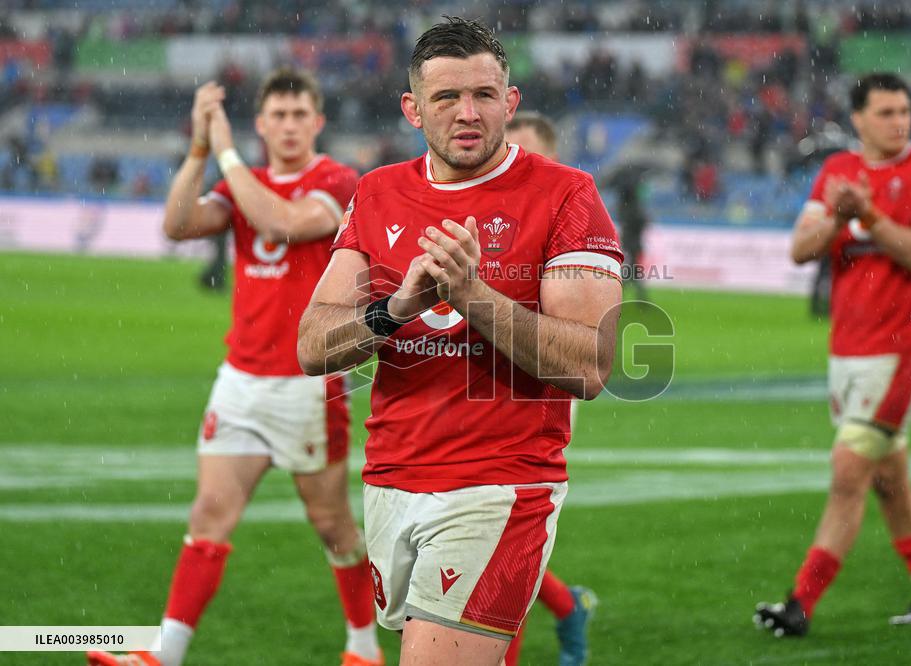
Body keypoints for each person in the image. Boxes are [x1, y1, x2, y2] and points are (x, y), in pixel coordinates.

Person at [297, 17, 623, 666]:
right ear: (413, 109)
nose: (467, 113)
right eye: (446, 97)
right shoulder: (377, 192)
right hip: (392, 478)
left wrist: (471, 296)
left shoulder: (567, 195)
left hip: (500, 488)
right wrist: (397, 308)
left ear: (511, 101)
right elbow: (312, 346)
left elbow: (589, 365)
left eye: (483, 95)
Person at [87, 68, 382, 666]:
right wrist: (200, 147)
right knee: (209, 514)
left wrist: (226, 152)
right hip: (241, 380)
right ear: (261, 124)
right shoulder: (242, 182)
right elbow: (177, 225)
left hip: (307, 384)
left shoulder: (337, 180)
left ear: (318, 122)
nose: (289, 125)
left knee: (332, 524)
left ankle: (363, 647)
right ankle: (165, 654)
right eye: (278, 115)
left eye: (299, 115)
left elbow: (283, 223)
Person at [754, 73, 911, 637]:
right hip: (847, 349)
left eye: (905, 111)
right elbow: (800, 249)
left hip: (902, 350)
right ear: (859, 119)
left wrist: (868, 216)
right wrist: (840, 214)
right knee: (888, 479)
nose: (900, 121)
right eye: (887, 112)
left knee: (849, 470)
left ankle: (799, 604)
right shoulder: (838, 172)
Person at [503, 110, 599, 666]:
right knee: (488, 536)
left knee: (504, 537)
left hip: (541, 392)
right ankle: (568, 606)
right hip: (483, 383)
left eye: (528, 155)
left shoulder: (570, 220)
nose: (515, 166)